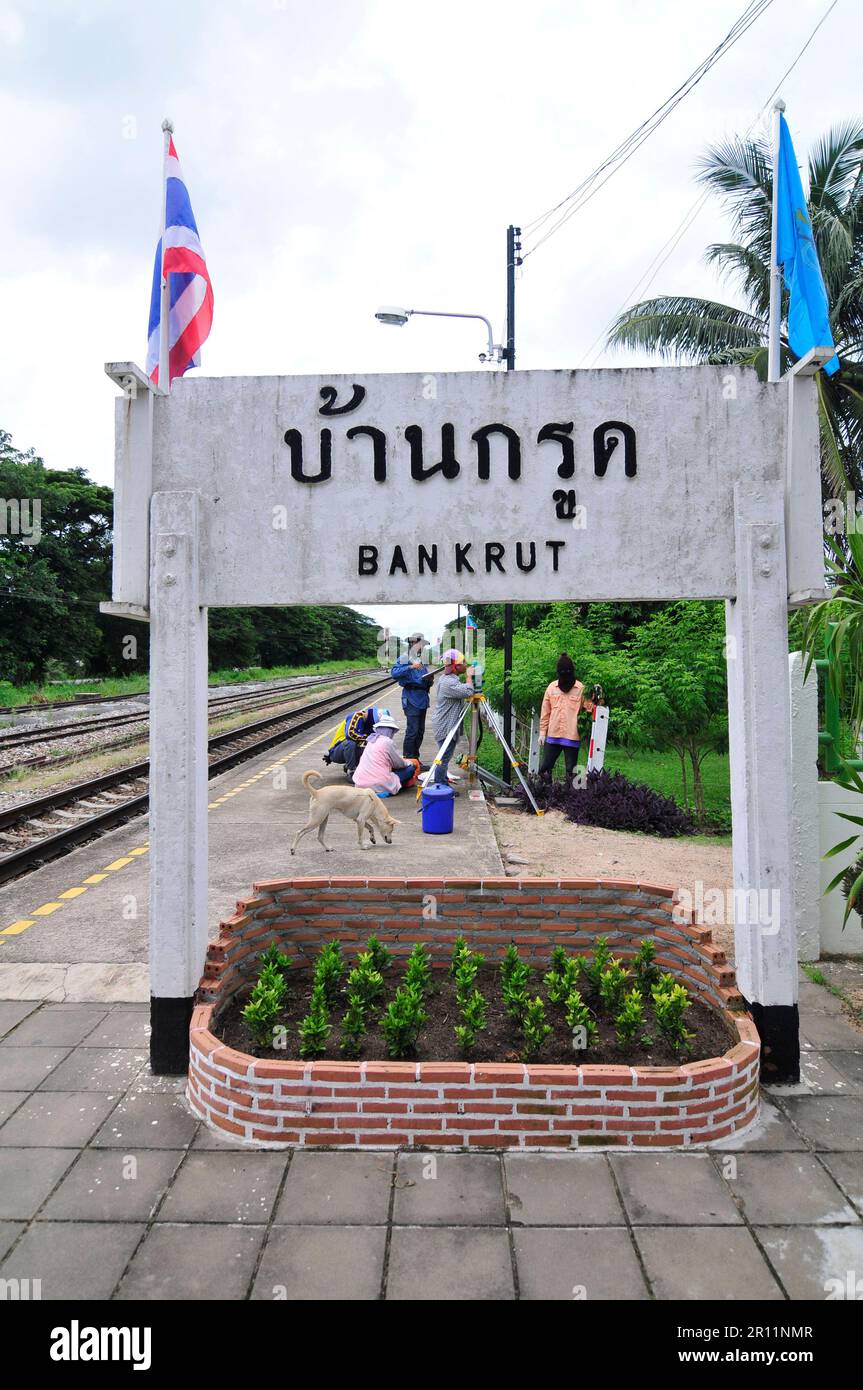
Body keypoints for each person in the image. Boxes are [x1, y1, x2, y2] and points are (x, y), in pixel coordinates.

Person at [538, 652, 595, 787]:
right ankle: (545, 794)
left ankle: (571, 798)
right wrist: (542, 733)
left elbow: (589, 709)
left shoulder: (581, 689)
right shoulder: (551, 688)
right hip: (553, 735)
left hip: (572, 736)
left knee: (571, 771)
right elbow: (545, 712)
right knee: (544, 768)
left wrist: (597, 698)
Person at [430, 649, 474, 792]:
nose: (465, 665)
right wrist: (469, 677)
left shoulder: (449, 679)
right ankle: (440, 786)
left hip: (446, 723)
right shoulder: (448, 683)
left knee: (444, 756)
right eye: (462, 663)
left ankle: (442, 782)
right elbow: (468, 691)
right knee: (443, 758)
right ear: (455, 666)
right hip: (445, 725)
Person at [391, 633, 434, 760]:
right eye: (420, 645)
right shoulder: (405, 658)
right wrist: (410, 666)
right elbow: (394, 673)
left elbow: (424, 678)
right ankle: (409, 760)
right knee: (412, 731)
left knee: (420, 731)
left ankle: (416, 759)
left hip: (423, 697)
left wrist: (430, 680)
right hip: (411, 698)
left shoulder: (423, 660)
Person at [352, 714, 419, 796]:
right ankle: (394, 786)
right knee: (410, 769)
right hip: (379, 783)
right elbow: (399, 764)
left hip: (360, 783)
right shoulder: (387, 742)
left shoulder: (371, 740)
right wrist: (410, 763)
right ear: (390, 731)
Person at [323, 705, 388, 776]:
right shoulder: (356, 716)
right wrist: (369, 737)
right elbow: (350, 734)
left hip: (349, 752)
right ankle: (351, 771)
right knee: (350, 742)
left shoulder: (369, 725)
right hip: (336, 751)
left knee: (370, 749)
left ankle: (351, 766)